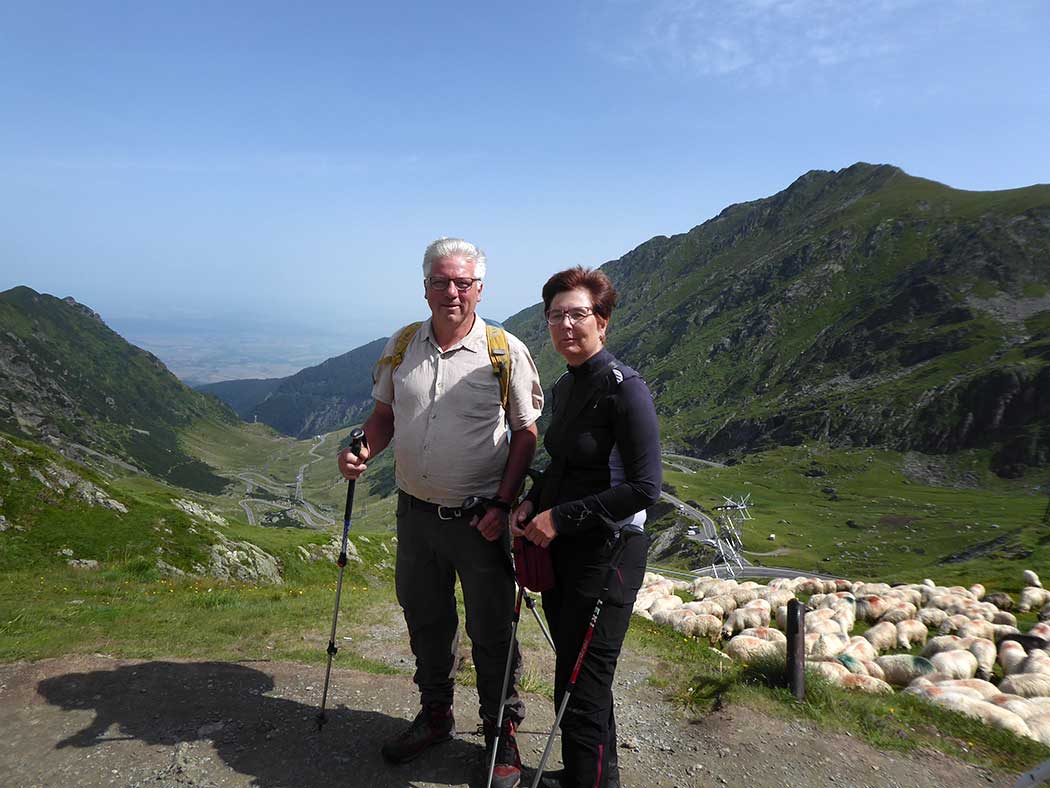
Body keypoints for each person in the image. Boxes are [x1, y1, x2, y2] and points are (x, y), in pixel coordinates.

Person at [338, 237, 543, 788]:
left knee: (492, 628)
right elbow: (384, 415)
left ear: (479, 288)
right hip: (416, 513)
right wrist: (362, 450)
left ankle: (502, 731)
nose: (450, 292)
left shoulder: (505, 350)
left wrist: (503, 502)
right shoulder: (403, 343)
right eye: (439, 281)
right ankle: (435, 714)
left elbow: (526, 435)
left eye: (462, 283)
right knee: (426, 620)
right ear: (424, 285)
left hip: (481, 519)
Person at [510, 266, 660, 788]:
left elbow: (645, 488)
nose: (565, 325)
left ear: (603, 321)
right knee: (575, 672)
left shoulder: (626, 390)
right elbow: (563, 466)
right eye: (556, 315)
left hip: (609, 555)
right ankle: (587, 775)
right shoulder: (568, 387)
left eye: (578, 314)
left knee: (584, 682)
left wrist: (559, 517)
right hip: (567, 552)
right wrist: (533, 502)